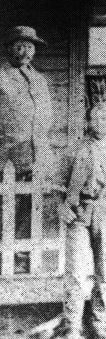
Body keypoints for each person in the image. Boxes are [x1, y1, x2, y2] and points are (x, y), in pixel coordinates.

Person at [54, 103, 106, 339]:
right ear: (89, 122)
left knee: (104, 272)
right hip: (80, 212)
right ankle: (73, 325)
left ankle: (100, 323)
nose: (102, 123)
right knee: (77, 271)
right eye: (96, 118)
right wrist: (62, 206)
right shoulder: (75, 150)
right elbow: (58, 185)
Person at [0, 26, 53, 249]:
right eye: (19, 46)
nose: (25, 51)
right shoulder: (1, 78)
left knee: (29, 205)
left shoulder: (39, 80)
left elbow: (46, 115)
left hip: (35, 154)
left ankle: (21, 253)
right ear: (9, 48)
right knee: (5, 204)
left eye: (30, 46)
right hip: (6, 155)